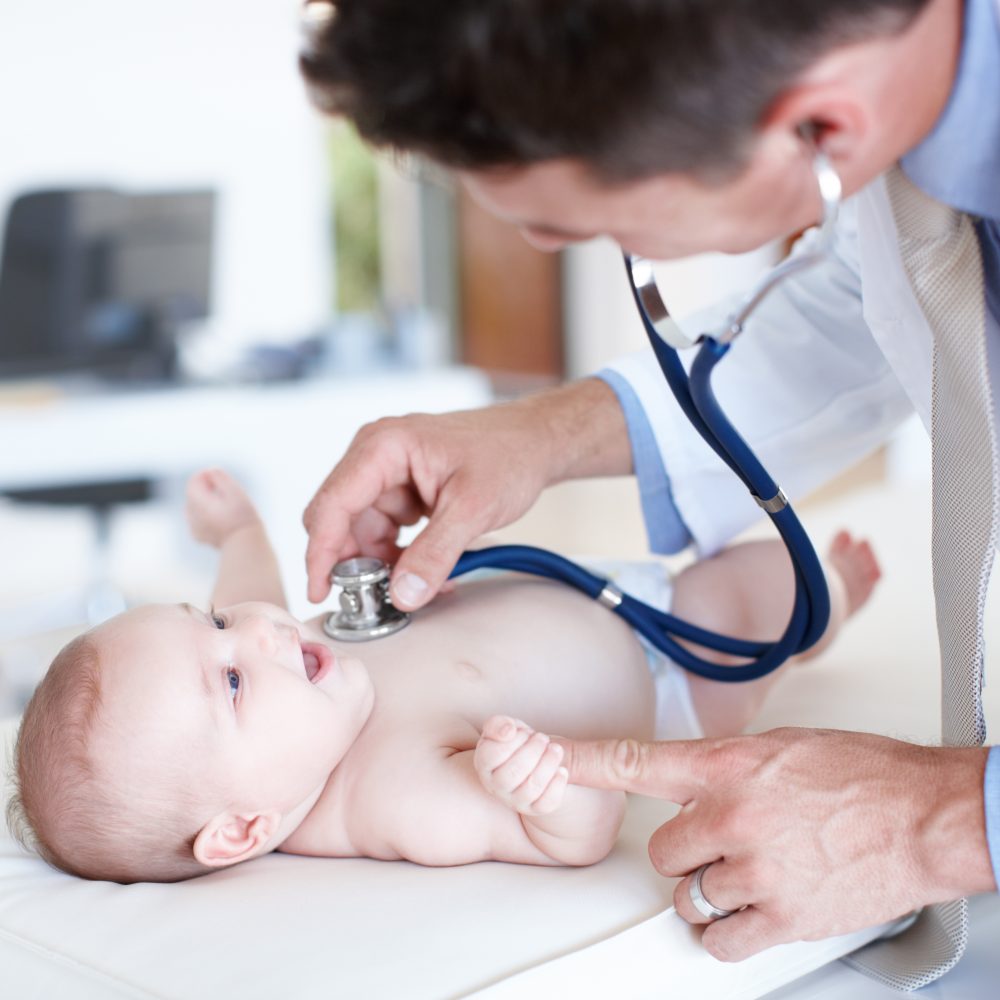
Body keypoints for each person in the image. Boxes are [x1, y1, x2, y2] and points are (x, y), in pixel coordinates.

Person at [296, 0, 1000, 969]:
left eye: (593, 224)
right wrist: (539, 434)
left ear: (824, 128)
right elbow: (889, 291)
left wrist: (943, 819)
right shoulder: (897, 96)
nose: (542, 246)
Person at [6, 470, 877, 883]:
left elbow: (252, 595)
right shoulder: (388, 797)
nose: (261, 634)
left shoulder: (290, 678)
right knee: (770, 589)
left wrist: (235, 530)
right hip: (672, 668)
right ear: (241, 828)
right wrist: (538, 785)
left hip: (585, 580)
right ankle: (839, 595)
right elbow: (577, 833)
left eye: (213, 626)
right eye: (229, 682)